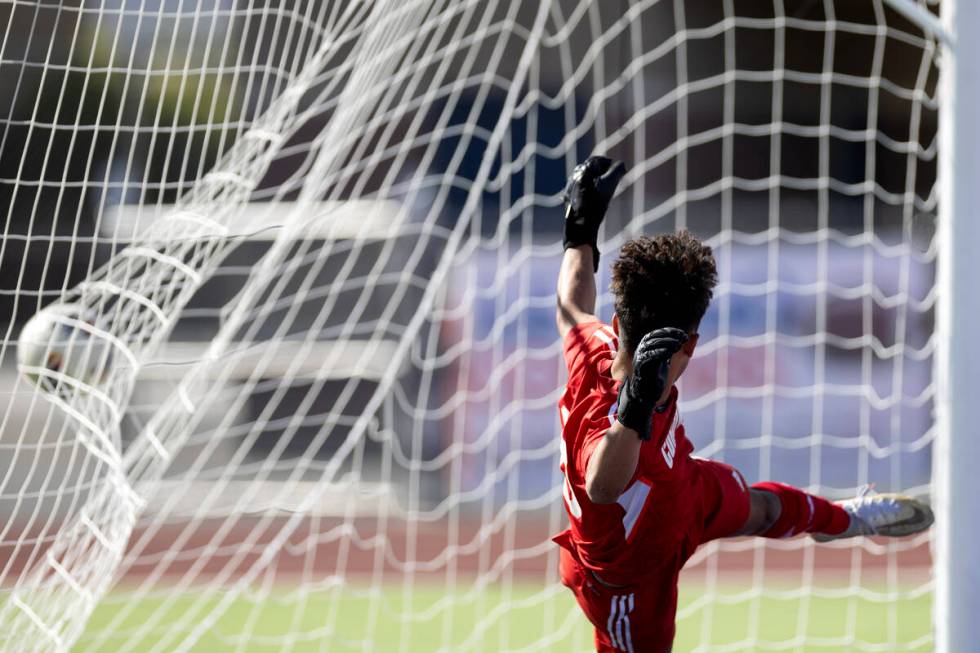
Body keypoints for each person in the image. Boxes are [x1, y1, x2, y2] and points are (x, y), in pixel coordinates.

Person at [553, 156, 934, 653]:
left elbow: (572, 305)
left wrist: (580, 230)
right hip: (627, 573)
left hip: (683, 490)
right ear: (692, 343)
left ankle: (846, 520)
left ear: (617, 321)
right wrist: (635, 406)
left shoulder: (600, 342)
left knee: (761, 507)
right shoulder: (611, 417)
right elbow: (603, 485)